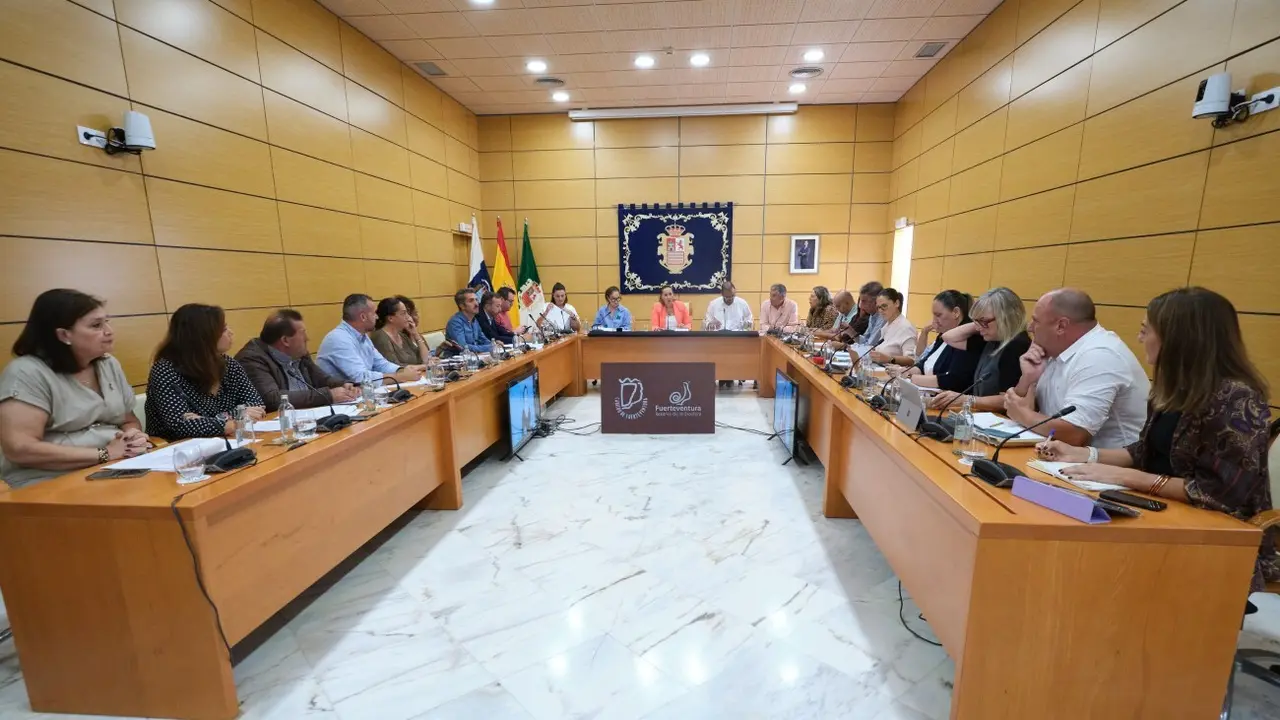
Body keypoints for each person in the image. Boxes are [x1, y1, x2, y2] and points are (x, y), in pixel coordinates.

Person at [1037, 287, 1277, 591]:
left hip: (1217, 538)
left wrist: (1127, 477)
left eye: (1145, 330)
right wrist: (1083, 455)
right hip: (1159, 511)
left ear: (1178, 339)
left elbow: (1218, 493)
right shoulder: (1172, 389)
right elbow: (1147, 450)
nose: (1139, 339)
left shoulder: (1236, 398)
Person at [0, 289, 149, 488]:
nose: (109, 331)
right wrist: (105, 453)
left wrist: (133, 437)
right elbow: (20, 448)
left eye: (107, 321)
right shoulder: (27, 373)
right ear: (63, 335)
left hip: (115, 466)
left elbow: (128, 420)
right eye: (96, 325)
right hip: (51, 480)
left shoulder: (108, 364)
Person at [1004, 288, 1149, 448]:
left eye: (1036, 321)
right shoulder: (1055, 350)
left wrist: (1023, 415)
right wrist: (1028, 379)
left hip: (1111, 466)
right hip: (1062, 457)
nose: (1030, 328)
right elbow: (1015, 405)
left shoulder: (1100, 356)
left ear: (1061, 326)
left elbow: (1074, 435)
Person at [145, 304, 265, 441]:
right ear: (204, 335)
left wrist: (208, 421)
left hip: (227, 440)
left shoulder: (228, 363)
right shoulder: (165, 370)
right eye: (224, 329)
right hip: (178, 449)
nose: (231, 332)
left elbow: (256, 405)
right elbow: (180, 425)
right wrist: (233, 419)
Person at [930, 287, 1031, 411]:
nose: (979, 328)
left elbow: (1008, 399)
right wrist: (979, 323)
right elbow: (948, 337)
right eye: (977, 322)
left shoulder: (1016, 345)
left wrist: (968, 400)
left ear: (1005, 317)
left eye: (984, 321)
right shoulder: (991, 337)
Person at [235, 310, 358, 411]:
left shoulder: (299, 353)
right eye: (303, 333)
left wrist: (344, 385)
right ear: (285, 341)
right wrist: (329, 396)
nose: (307, 338)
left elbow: (323, 379)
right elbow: (273, 399)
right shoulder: (252, 359)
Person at [899, 290, 983, 392]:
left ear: (956, 313)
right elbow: (923, 364)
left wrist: (910, 377)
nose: (934, 320)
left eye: (938, 315)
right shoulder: (942, 335)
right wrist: (904, 371)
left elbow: (952, 380)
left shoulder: (967, 339)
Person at [370, 297, 432, 366]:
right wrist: (423, 366)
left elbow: (425, 359)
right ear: (390, 318)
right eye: (403, 313)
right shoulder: (380, 337)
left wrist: (415, 334)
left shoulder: (402, 336)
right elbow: (394, 367)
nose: (408, 317)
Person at [867, 288, 916, 366]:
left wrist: (890, 359)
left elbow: (911, 360)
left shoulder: (906, 327)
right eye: (878, 307)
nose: (880, 310)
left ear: (896, 303)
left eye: (884, 306)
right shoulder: (887, 325)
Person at [446, 288, 493, 354]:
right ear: (462, 306)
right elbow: (463, 347)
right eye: (471, 301)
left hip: (476, 357)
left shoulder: (474, 320)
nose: (476, 304)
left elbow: (483, 340)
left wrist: (494, 344)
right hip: (460, 360)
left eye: (476, 300)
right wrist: (488, 347)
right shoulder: (455, 322)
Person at [851, 281, 885, 346]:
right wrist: (850, 331)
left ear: (876, 301)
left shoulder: (883, 317)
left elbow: (870, 345)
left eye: (864, 301)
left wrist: (846, 347)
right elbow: (865, 340)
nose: (860, 306)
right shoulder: (872, 315)